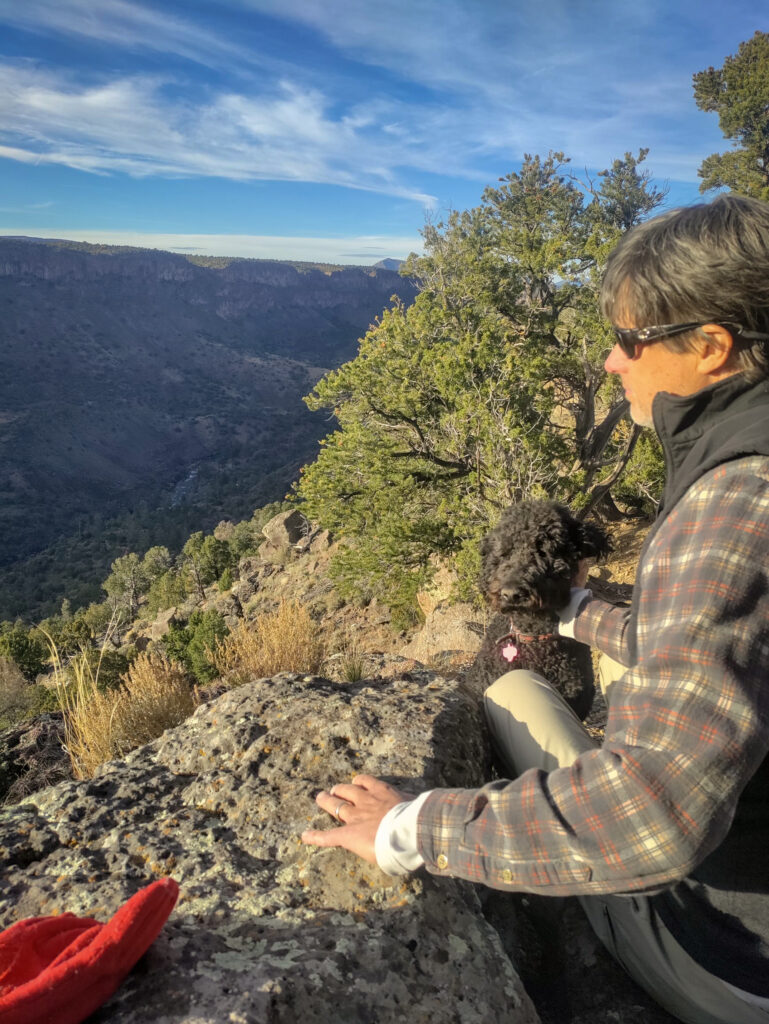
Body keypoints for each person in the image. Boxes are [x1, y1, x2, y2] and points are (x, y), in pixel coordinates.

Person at [301, 194, 769, 1024]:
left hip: (734, 955)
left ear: (710, 346)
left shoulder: (734, 501)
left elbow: (656, 815)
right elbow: (732, 639)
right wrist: (575, 610)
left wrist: (408, 827)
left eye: (629, 339)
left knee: (508, 694)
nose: (608, 363)